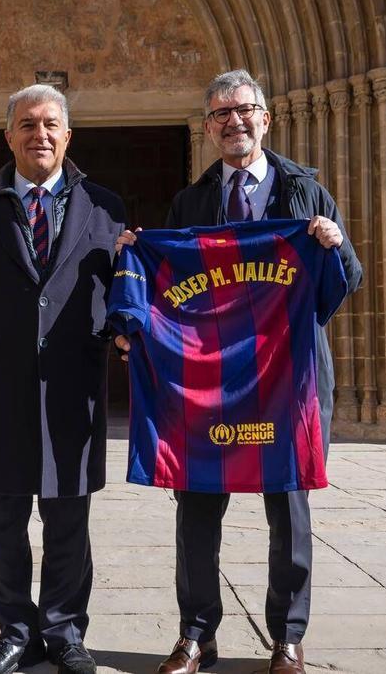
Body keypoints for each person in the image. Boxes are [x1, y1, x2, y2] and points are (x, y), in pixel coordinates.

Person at [115, 70, 363, 674]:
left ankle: (288, 638)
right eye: (222, 114)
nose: (235, 122)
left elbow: (344, 282)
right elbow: (173, 293)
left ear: (266, 118)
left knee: (290, 509)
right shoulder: (192, 201)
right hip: (210, 385)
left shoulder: (305, 191)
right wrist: (135, 257)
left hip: (288, 381)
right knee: (196, 507)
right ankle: (197, 634)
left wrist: (332, 244)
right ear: (207, 127)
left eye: (244, 110)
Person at [0, 84, 127, 674]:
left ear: (68, 136)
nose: (39, 134)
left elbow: (128, 291)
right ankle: (14, 631)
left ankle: (64, 633)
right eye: (27, 124)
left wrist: (133, 334)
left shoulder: (106, 206)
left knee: (69, 519)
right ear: (8, 134)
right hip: (0, 388)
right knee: (2, 519)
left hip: (74, 387)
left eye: (50, 125)